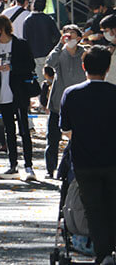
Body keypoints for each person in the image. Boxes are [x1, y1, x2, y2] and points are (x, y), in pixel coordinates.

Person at [59, 46, 116, 264]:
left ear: (84, 66)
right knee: (112, 204)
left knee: (93, 208)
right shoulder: (114, 93)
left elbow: (66, 128)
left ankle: (102, 253)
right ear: (108, 68)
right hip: (113, 159)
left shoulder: (72, 94)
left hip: (85, 161)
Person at [0, 14, 37, 181]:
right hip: (1, 94)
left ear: (1, 28)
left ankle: (28, 166)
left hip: (18, 92)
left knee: (24, 130)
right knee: (9, 131)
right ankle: (13, 165)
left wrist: (11, 67)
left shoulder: (20, 45)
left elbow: (30, 65)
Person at [44, 25, 86, 179]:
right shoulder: (60, 52)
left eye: (72, 34)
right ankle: (50, 169)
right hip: (58, 102)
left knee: (77, 138)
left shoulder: (84, 53)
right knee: (53, 138)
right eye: (66, 34)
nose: (69, 37)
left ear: (79, 38)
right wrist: (59, 44)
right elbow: (49, 63)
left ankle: (72, 168)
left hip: (79, 104)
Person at [23, 0, 61, 79]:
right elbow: (57, 36)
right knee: (52, 79)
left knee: (40, 79)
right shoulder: (48, 19)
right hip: (49, 52)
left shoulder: (28, 20)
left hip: (34, 54)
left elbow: (25, 39)